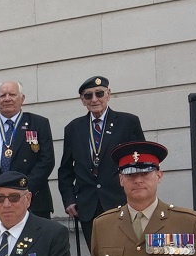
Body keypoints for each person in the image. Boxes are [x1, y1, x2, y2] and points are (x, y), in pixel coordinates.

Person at [58, 76, 145, 246]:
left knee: (126, 255)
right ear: (82, 100)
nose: (94, 99)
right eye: (88, 96)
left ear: (108, 94)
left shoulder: (128, 122)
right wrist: (69, 200)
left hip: (121, 202)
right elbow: (66, 170)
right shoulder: (73, 128)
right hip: (88, 206)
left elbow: (140, 163)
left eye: (99, 93)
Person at [0, 80, 55, 220]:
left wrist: (22, 192)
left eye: (12, 94)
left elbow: (46, 161)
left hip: (32, 202)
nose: (7, 99)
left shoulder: (39, 124)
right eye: (3, 95)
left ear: (22, 98)